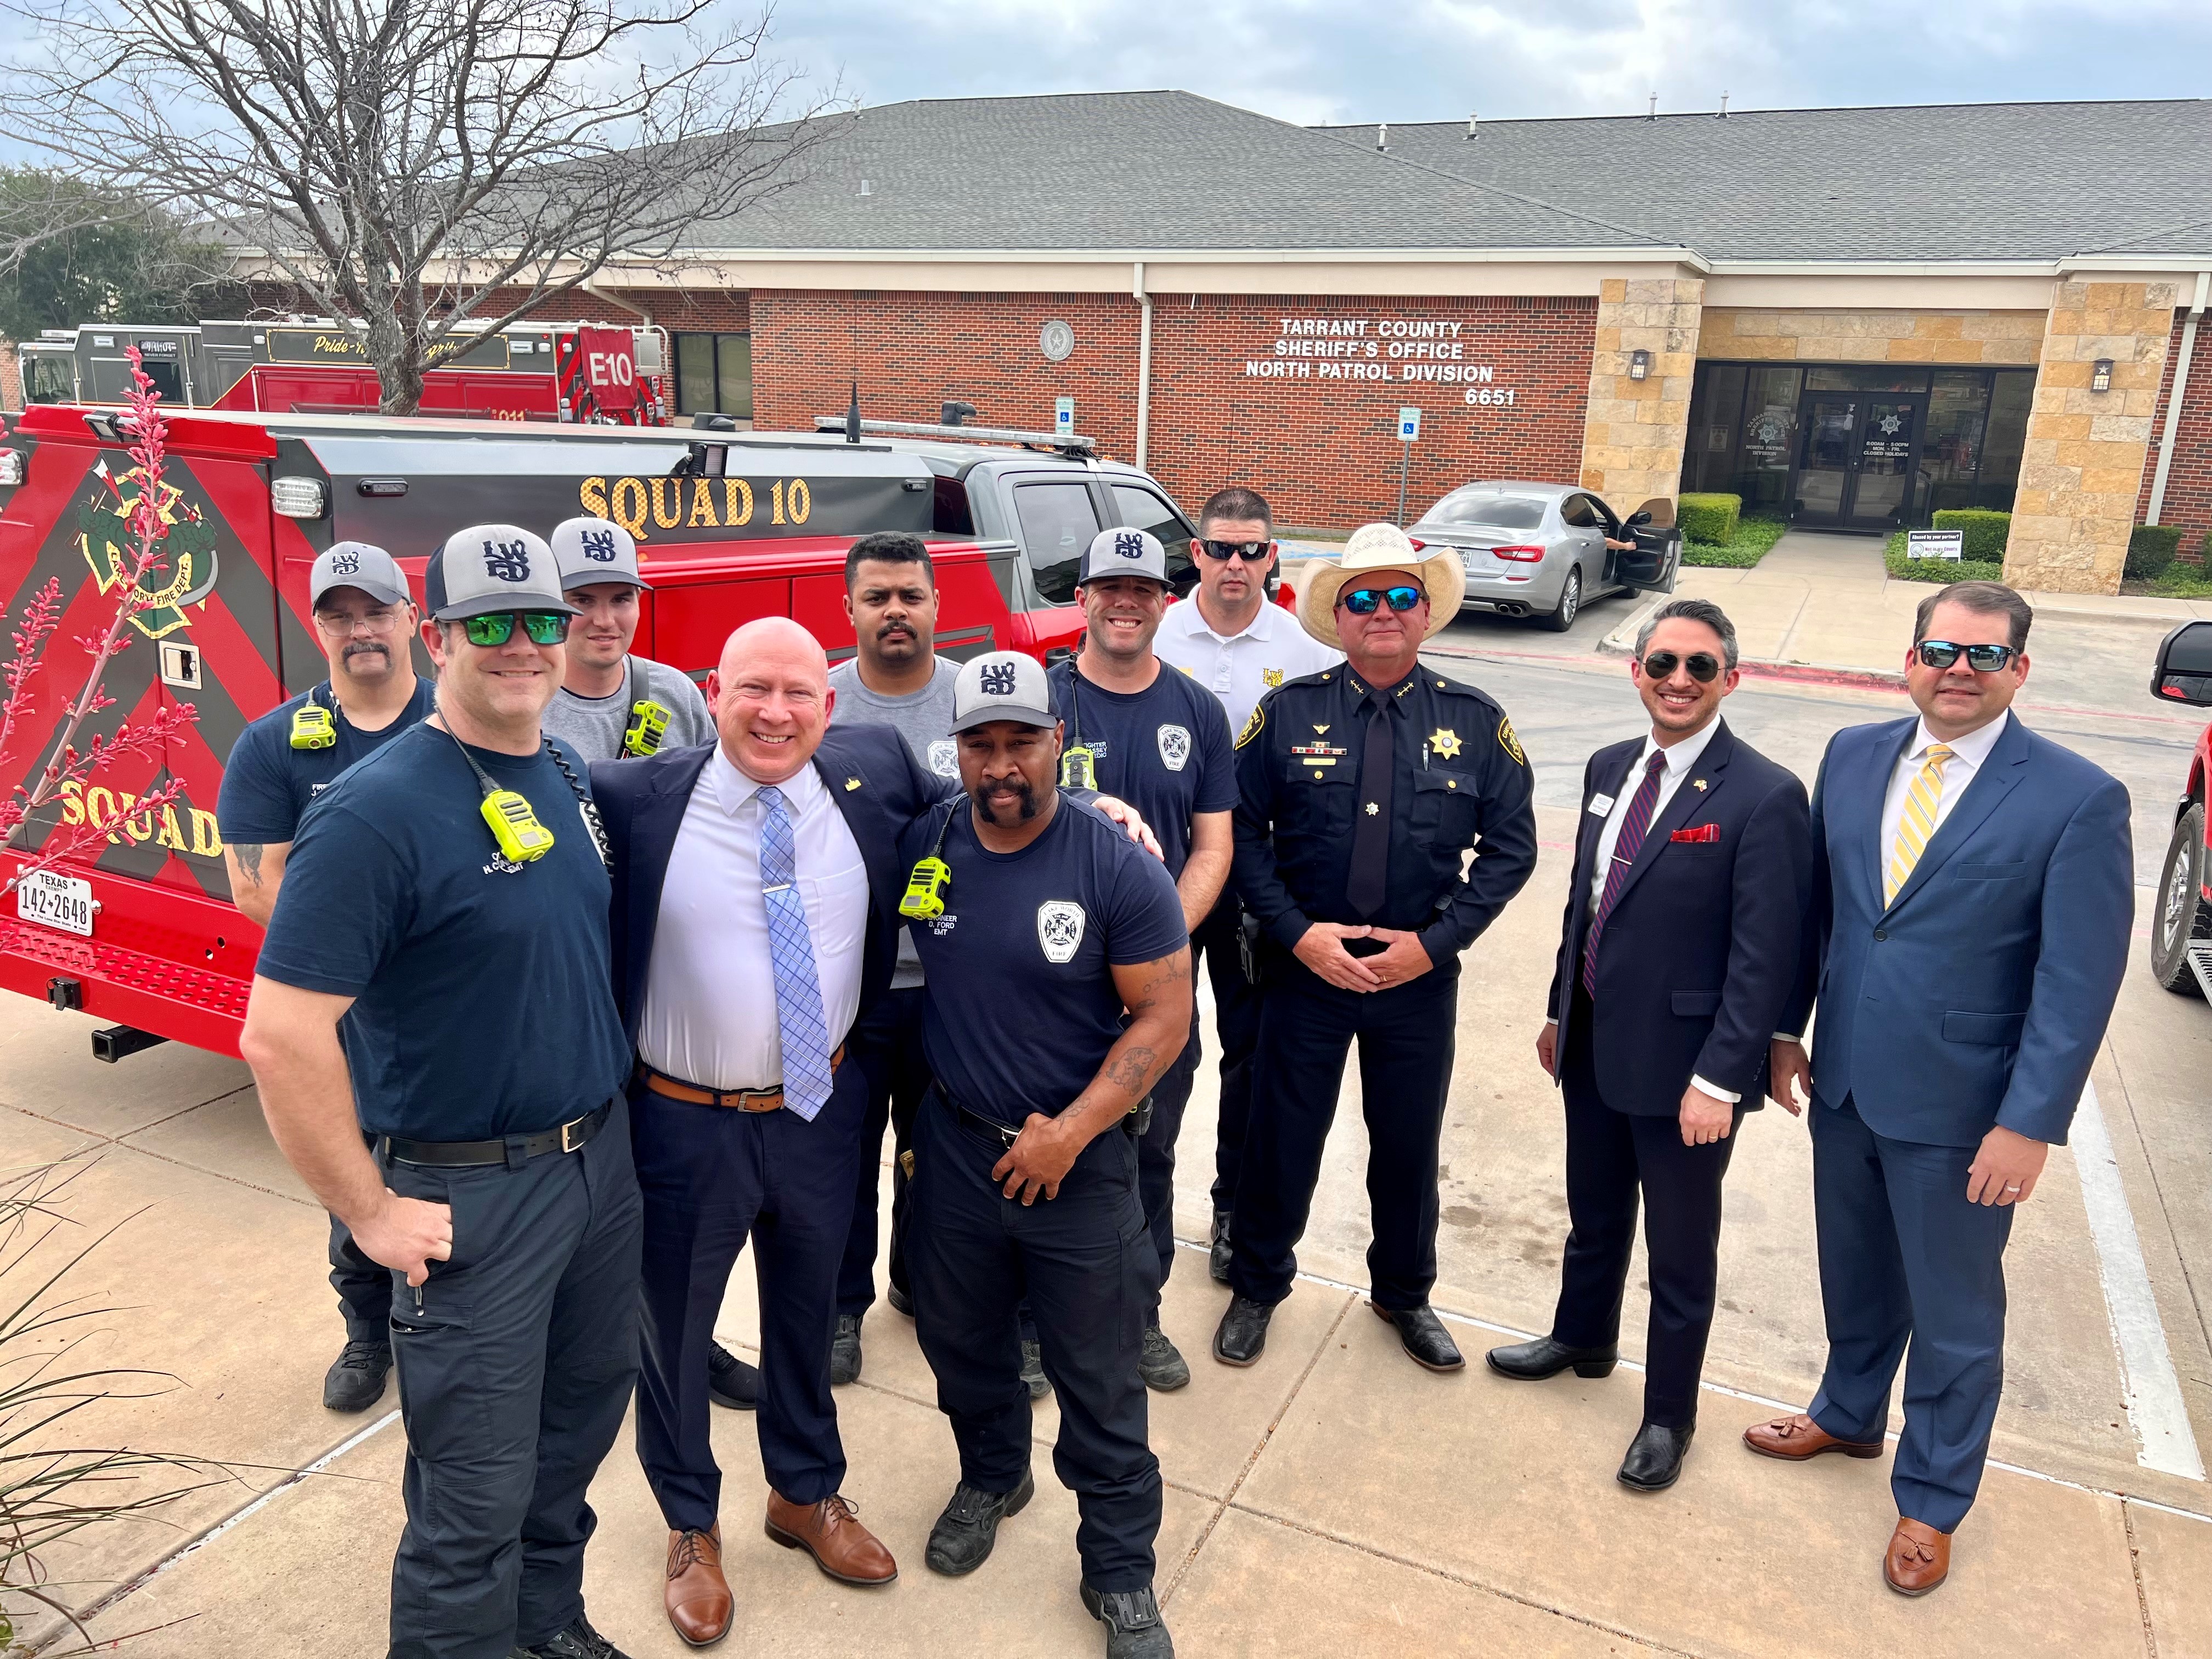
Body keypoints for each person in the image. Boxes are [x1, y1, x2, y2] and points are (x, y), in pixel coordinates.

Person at [239, 524, 641, 1659]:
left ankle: (548, 1622)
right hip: (472, 1197)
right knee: (471, 1499)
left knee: (571, 1438)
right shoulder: (373, 813)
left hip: (593, 1173)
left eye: (544, 623)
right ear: (443, 633)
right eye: (493, 624)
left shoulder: (558, 768)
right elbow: (280, 1036)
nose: (524, 646)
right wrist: (368, 1213)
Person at [1747, 580, 2131, 1596]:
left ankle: (1932, 1497)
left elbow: (2075, 980)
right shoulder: (1854, 754)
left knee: (1956, 1313)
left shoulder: (2075, 796)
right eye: (1940, 649)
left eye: (1984, 654)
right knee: (1856, 1272)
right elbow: (1821, 913)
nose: (1958, 669)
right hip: (1844, 1086)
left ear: (2019, 668)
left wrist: (2028, 1122)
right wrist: (1786, 1028)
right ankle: (1846, 1410)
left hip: (1965, 1111)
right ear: (1910, 656)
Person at [591, 617, 921, 1646]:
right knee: (678, 1334)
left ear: (830, 703)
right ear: (712, 690)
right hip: (684, 1120)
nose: (775, 712)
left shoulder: (876, 768)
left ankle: (803, 1491)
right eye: (752, 690)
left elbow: (990, 808)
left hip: (822, 1110)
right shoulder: (635, 797)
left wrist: (1104, 808)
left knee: (809, 1313)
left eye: (796, 691)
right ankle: (691, 1522)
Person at [901, 650, 1191, 1659]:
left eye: (1019, 739)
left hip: (1078, 1162)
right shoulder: (926, 839)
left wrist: (1072, 1128)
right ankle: (992, 1473)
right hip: (956, 1150)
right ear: (958, 751)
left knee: (1098, 1374)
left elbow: (1166, 1010)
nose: (1000, 764)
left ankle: (1120, 1571)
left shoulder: (1116, 862)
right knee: (964, 1345)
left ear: (1055, 741)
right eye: (979, 744)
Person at [1487, 598, 1812, 1492]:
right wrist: (1560, 1009)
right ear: (1635, 671)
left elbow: (1764, 953)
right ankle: (1582, 1335)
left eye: (1697, 667)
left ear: (1729, 680)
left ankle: (1668, 1413)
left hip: (1686, 1072)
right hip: (1592, 1042)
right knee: (1593, 1216)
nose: (1676, 680)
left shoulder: (1763, 792)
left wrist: (1722, 1074)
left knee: (1678, 1253)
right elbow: (1584, 903)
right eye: (1661, 662)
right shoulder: (1607, 766)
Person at [1212, 523, 1537, 1375]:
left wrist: (1436, 945)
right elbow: (1240, 833)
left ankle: (1404, 1293)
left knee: (1406, 1144)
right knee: (1281, 1137)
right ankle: (1257, 1284)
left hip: (1416, 978)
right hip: (1304, 970)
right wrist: (1294, 933)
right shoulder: (1288, 712)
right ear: (1340, 618)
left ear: (1425, 613)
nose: (1382, 612)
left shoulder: (1475, 721)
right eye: (1363, 598)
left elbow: (1512, 848)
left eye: (1400, 596)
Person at [215, 540, 436, 1415]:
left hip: (449, 1007)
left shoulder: (457, 721)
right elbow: (251, 883)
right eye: (340, 616)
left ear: (413, 621)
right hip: (340, 1013)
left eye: (377, 612)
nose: (361, 631)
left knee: (453, 1169)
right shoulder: (277, 746)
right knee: (356, 1173)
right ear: (317, 629)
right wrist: (370, 959)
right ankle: (366, 1332)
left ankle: (451, 1327)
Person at [1049, 527, 1236, 1390]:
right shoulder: (1041, 699)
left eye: (1143, 589)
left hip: (1158, 995)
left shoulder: (1197, 710)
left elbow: (1213, 848)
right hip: (1051, 989)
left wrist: (1160, 949)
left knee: (1148, 1152)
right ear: (1081, 597)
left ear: (1167, 601)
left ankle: (1142, 1312)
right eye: (1108, 588)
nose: (1125, 603)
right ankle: (1029, 1324)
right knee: (1042, 1144)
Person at [1151, 486, 1338, 1285]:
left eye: (1252, 549)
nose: (1236, 564)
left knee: (1251, 1056)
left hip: (1254, 882)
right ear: (1195, 553)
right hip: (1157, 880)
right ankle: (1136, 1205)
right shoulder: (1154, 634)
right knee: (1157, 1048)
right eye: (1220, 548)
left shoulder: (1304, 653)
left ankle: (1235, 1211)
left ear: (1273, 556)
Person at [823, 529, 962, 1386]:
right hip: (848, 988)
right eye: (877, 598)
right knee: (839, 1154)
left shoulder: (972, 697)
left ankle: (921, 1285)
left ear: (937, 605)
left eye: (910, 595)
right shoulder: (819, 701)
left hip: (953, 984)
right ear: (850, 610)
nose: (896, 611)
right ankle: (842, 1308)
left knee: (939, 1154)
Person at [541, 515, 713, 764]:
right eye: (583, 601)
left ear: (639, 601)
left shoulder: (678, 691)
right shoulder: (524, 705)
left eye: (620, 600)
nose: (605, 621)